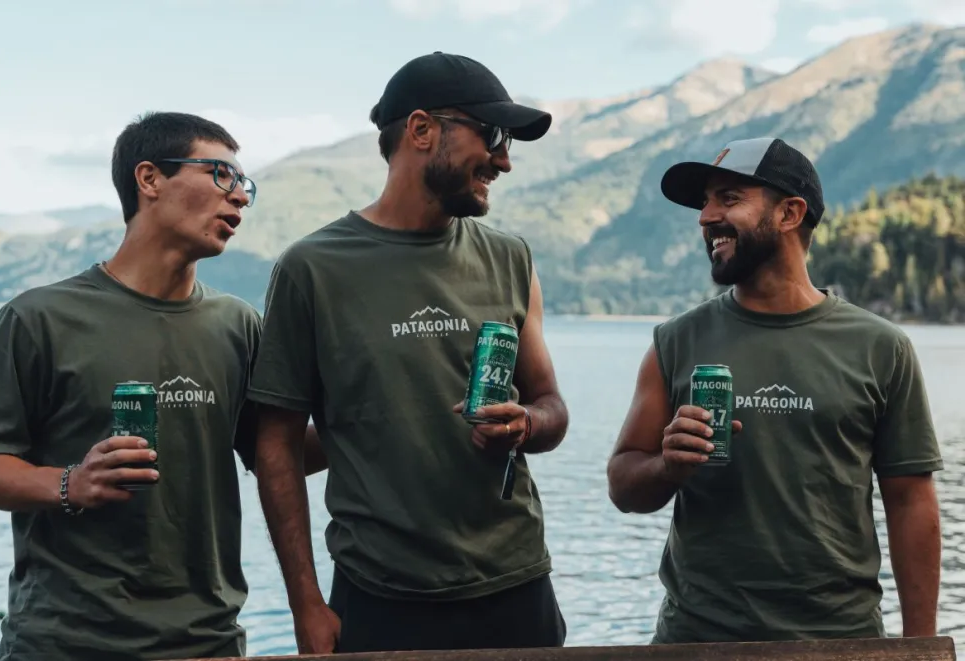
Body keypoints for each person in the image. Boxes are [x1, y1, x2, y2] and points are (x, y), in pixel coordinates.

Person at [246, 51, 570, 655]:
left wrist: (528, 422)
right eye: (493, 136)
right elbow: (278, 445)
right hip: (378, 595)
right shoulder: (312, 269)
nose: (504, 160)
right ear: (422, 130)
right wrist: (306, 605)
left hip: (516, 584)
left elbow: (551, 406)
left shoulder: (510, 257)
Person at [606, 137, 943, 643]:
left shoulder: (880, 347)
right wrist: (666, 465)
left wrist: (921, 647)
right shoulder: (675, 341)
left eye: (729, 198)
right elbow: (623, 485)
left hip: (839, 642)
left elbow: (911, 503)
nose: (706, 217)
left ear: (789, 213)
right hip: (696, 642)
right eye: (704, 202)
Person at [0, 111, 263, 661]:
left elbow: (274, 453)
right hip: (65, 642)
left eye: (244, 185)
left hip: (209, 641)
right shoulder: (40, 318)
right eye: (222, 175)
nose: (240, 198)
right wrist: (68, 484)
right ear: (149, 179)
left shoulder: (238, 324)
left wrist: (384, 410)